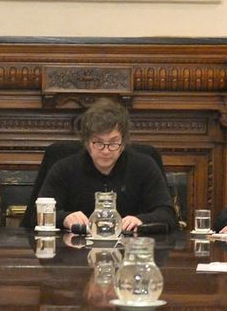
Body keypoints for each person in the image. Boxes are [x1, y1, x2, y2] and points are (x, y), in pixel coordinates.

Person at [38, 99, 177, 232]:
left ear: (123, 144)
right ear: (87, 143)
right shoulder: (64, 169)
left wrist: (142, 220)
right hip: (76, 250)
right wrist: (64, 218)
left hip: (129, 251)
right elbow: (36, 215)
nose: (105, 151)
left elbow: (168, 214)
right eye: (98, 143)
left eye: (113, 143)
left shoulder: (144, 166)